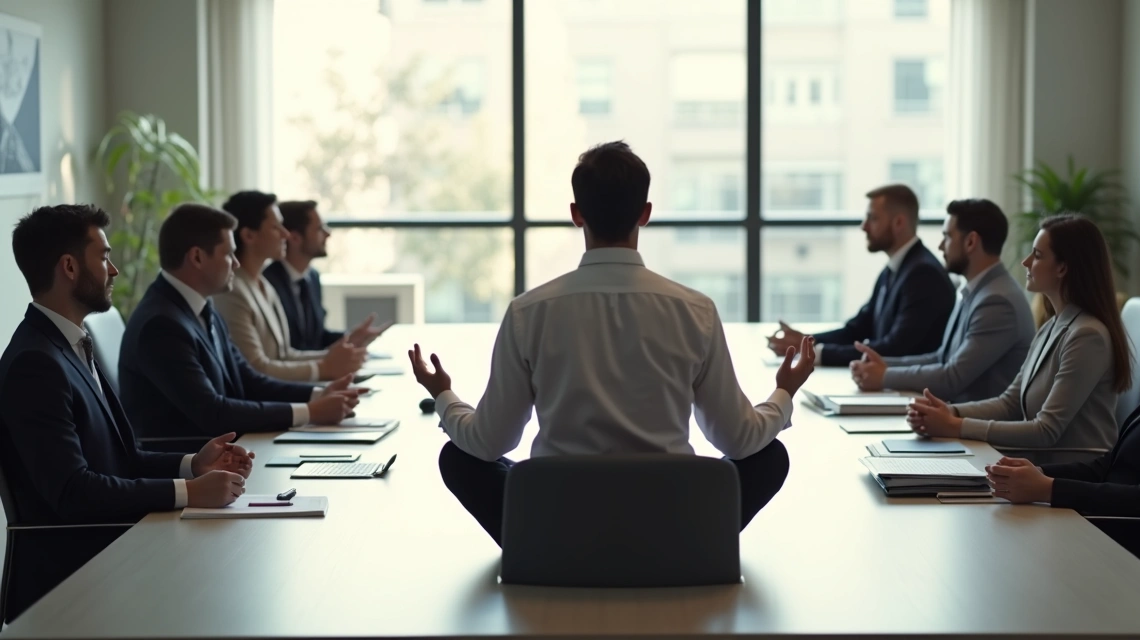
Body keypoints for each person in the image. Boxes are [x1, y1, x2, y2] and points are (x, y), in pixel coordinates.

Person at [407, 141, 816, 546]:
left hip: (556, 523)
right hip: (672, 522)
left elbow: (489, 442)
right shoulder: (696, 310)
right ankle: (685, 549)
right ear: (646, 214)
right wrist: (784, 392)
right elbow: (738, 439)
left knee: (459, 456)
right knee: (769, 456)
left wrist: (443, 395)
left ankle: (546, 550)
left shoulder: (527, 312)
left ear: (575, 214)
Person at [0, 204, 254, 622]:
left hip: (114, 550)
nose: (114, 269)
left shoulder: (69, 343)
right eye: (102, 256)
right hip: (75, 581)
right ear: (68, 266)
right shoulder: (36, 364)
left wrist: (193, 465)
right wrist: (190, 493)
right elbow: (75, 493)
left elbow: (122, 457)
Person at [986, 248, 1140, 515]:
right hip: (1105, 519)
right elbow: (1111, 465)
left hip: (1133, 543)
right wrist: (1037, 473)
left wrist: (1048, 488)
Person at [119, 203, 363, 449]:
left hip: (230, 451)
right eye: (228, 254)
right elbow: (213, 413)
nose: (236, 263)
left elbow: (248, 380)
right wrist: (309, 412)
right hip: (192, 464)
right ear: (197, 257)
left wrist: (319, 394)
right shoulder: (161, 325)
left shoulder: (200, 307)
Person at [905, 214, 1130, 452]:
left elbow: (1046, 431)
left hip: (1068, 479)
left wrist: (956, 426)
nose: (1026, 261)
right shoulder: (1052, 325)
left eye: (1038, 255)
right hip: (1034, 467)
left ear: (1063, 267)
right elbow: (1009, 404)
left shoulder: (1087, 336)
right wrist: (949, 412)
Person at [849, 198, 1035, 403]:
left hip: (978, 431)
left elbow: (951, 378)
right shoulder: (976, 290)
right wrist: (884, 364)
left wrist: (884, 377)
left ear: (971, 242)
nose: (940, 246)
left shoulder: (998, 302)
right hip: (955, 421)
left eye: (947, 237)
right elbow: (941, 357)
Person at [767, 184, 955, 366]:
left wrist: (816, 353)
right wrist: (807, 342)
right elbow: (858, 329)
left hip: (914, 393)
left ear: (899, 222)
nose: (863, 227)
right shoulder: (895, 269)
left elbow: (895, 348)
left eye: (872, 218)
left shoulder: (923, 274)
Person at [212, 191, 367, 382]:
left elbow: (285, 354)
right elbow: (256, 367)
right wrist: (323, 368)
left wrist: (333, 356)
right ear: (249, 235)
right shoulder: (232, 291)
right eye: (276, 227)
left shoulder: (264, 285)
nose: (285, 233)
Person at [263, 200, 390, 351]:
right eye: (319, 229)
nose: (328, 233)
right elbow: (286, 349)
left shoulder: (312, 277)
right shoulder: (268, 282)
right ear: (295, 238)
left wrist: (351, 338)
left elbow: (317, 338)